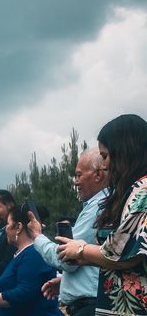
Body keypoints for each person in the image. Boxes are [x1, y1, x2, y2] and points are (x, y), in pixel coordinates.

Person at [57, 114, 147, 315]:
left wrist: (80, 250)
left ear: (125, 152)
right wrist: (87, 259)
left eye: (105, 156)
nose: (104, 165)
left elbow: (124, 253)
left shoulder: (143, 191)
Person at [27, 148, 107, 316]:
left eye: (78, 175)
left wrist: (37, 236)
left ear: (98, 175)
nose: (75, 182)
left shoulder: (97, 207)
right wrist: (66, 283)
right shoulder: (101, 205)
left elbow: (67, 259)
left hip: (89, 306)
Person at [0, 205, 61, 316]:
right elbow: (12, 290)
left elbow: (23, 294)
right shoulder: (19, 254)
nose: (6, 229)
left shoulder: (34, 254)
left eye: (8, 224)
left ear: (18, 227)